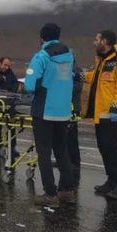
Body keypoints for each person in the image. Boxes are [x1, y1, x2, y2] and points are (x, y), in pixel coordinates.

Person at [24, 23, 76, 207]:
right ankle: (67, 190)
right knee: (62, 150)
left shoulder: (41, 56)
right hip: (63, 111)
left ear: (42, 37)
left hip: (44, 111)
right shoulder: (70, 55)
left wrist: (38, 86)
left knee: (44, 152)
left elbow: (29, 85)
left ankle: (50, 194)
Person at [84, 30, 117, 199]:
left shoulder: (116, 60)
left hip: (111, 116)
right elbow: (97, 79)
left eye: (96, 39)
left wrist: (113, 113)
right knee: (105, 148)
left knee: (113, 149)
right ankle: (111, 181)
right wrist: (82, 76)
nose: (94, 42)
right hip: (100, 114)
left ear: (105, 41)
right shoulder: (102, 60)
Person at [68, 63, 83, 188]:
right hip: (66, 106)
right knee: (64, 137)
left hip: (73, 107)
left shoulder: (76, 71)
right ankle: (67, 160)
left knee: (72, 136)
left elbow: (77, 87)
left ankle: (75, 162)